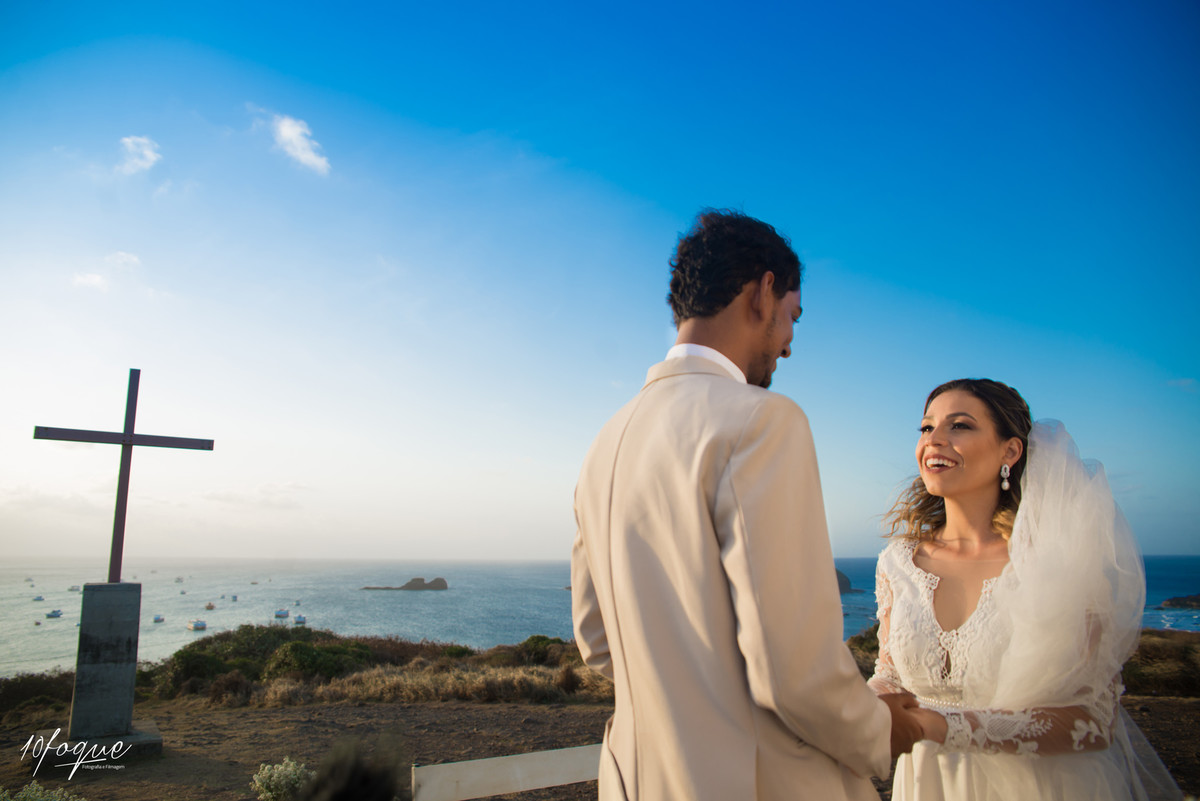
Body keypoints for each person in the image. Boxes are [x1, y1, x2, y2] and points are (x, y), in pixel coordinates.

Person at [572, 209, 923, 801]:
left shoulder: (605, 442)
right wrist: (882, 728)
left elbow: (598, 642)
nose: (789, 346)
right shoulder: (762, 421)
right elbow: (793, 672)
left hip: (639, 780)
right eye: (793, 317)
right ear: (763, 291)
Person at [869, 378, 1182, 800]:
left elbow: (1093, 718)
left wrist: (938, 727)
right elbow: (889, 677)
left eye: (959, 426)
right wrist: (851, 711)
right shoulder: (897, 562)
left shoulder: (1059, 561)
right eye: (926, 428)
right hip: (929, 785)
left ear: (1010, 451)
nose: (935, 440)